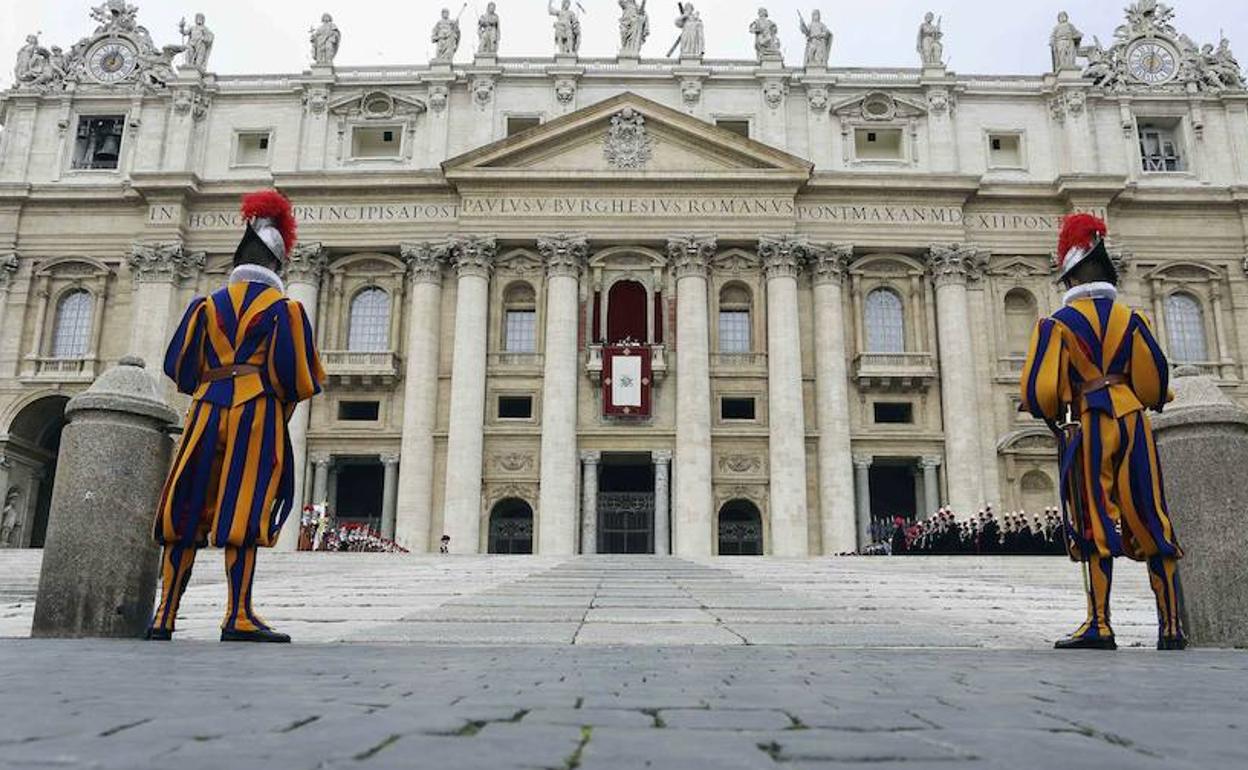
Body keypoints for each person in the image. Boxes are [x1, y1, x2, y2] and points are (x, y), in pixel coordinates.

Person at [146, 190, 325, 643]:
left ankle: (165, 615)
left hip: (206, 410)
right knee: (245, 508)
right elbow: (296, 375)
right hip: (256, 411)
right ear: (277, 266)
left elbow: (179, 366)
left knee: (186, 505)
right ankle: (238, 615)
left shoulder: (205, 306)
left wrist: (211, 385)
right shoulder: (285, 310)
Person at [1020, 213, 1186, 651]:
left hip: (1090, 423)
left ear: (1071, 277)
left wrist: (1052, 410)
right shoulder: (1133, 318)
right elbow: (1154, 383)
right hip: (1133, 419)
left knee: (1093, 516)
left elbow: (1041, 392)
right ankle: (1171, 627)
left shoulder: (1056, 324)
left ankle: (1100, 624)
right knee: (1152, 514)